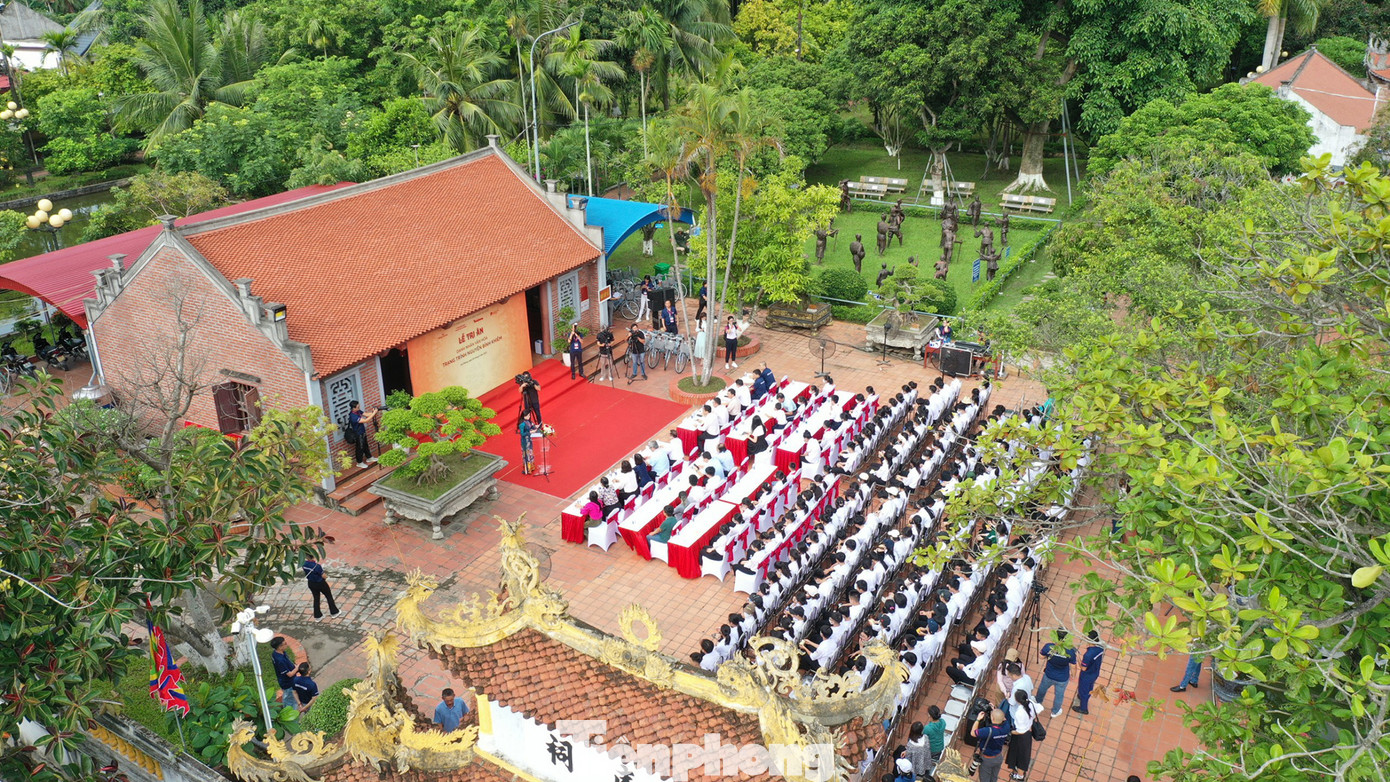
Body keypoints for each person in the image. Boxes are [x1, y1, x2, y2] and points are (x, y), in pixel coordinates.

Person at [1036, 630, 1077, 718]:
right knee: (1059, 695)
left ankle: (1037, 703)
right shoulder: (1070, 651)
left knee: (1042, 689)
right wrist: (1073, 675)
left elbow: (1041, 656)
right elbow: (1073, 666)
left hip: (1048, 675)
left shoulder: (1049, 647)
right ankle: (1055, 711)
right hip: (1062, 678)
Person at [1006, 689, 1037, 781]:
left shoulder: (1020, 713)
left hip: (1021, 736)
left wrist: (1010, 732)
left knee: (1021, 757)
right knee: (1021, 755)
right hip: (1027, 733)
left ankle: (1020, 776)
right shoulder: (1031, 704)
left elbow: (1021, 731)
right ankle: (1019, 772)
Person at [972, 708, 1010, 782]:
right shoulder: (1006, 727)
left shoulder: (988, 731)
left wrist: (978, 720)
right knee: (994, 777)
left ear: (992, 718)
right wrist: (995, 711)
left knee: (984, 779)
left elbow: (973, 733)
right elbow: (1003, 718)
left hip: (987, 759)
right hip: (998, 757)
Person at [1073, 630, 1105, 714]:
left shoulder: (1088, 655)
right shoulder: (1100, 648)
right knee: (1089, 687)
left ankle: (1083, 708)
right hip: (1094, 672)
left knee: (1083, 690)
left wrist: (1078, 657)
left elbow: (1083, 668)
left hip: (1086, 675)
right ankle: (1085, 696)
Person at [346, 401, 376, 468]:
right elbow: (366, 420)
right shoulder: (353, 416)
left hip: (362, 432)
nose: (359, 408)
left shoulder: (358, 411)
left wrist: (373, 412)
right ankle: (359, 462)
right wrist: (374, 413)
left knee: (365, 445)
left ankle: (369, 457)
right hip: (358, 433)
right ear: (353, 408)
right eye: (358, 407)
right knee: (360, 447)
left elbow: (366, 414)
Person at [270, 637, 297, 711]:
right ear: (280, 647)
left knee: (289, 697)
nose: (287, 645)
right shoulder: (280, 660)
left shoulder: (277, 653)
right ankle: (290, 716)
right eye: (285, 644)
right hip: (288, 683)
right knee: (290, 700)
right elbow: (290, 674)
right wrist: (297, 668)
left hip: (288, 681)